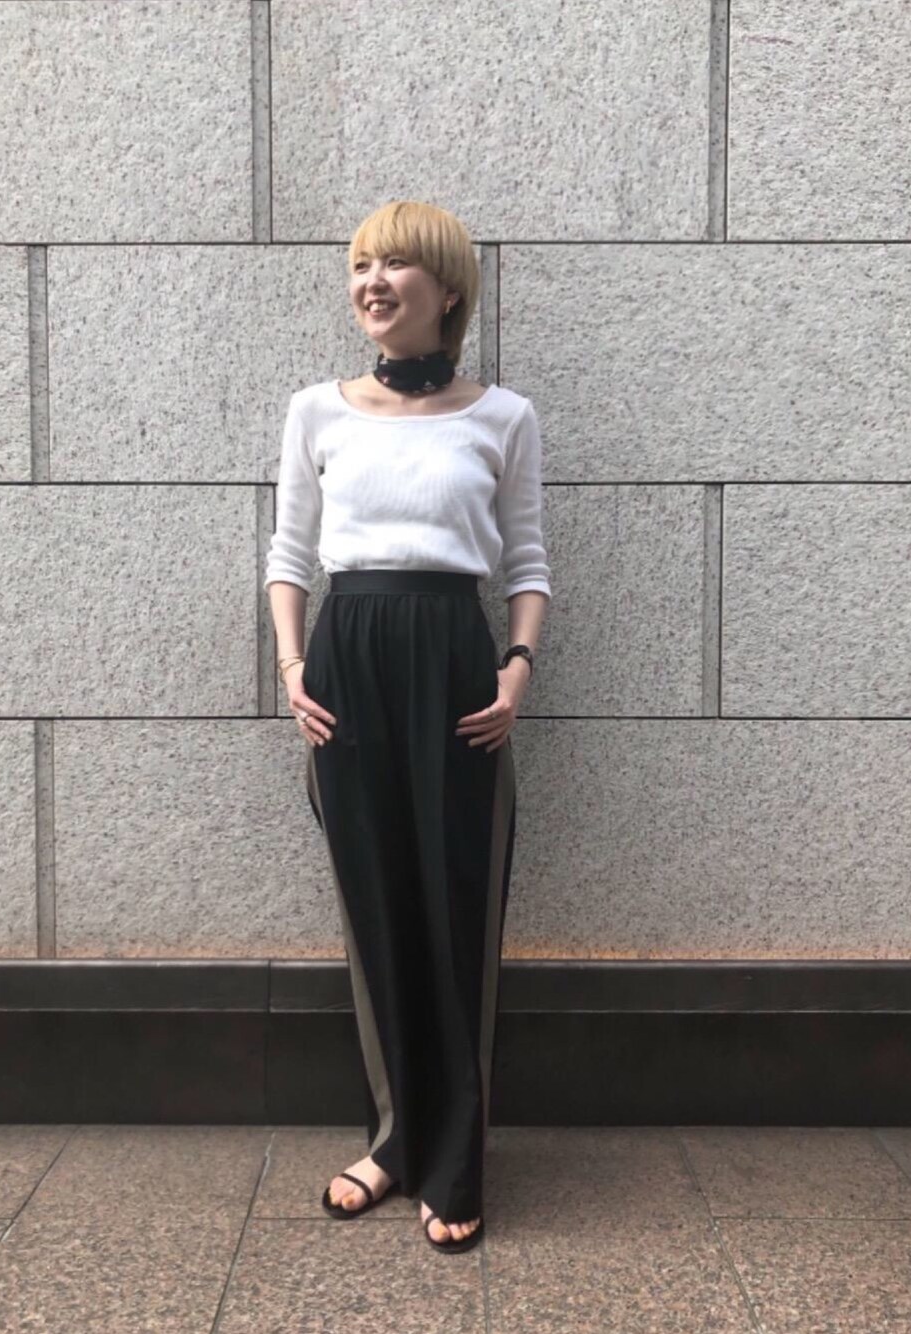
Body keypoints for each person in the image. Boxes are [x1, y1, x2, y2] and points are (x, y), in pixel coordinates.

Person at [263, 199, 551, 1254]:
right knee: (374, 902)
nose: (372, 281)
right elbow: (289, 555)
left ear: (448, 289)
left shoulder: (502, 417)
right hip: (346, 666)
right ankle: (392, 1141)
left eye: (394, 264)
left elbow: (527, 562)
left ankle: (456, 1155)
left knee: (458, 905)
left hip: (455, 666)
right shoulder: (316, 411)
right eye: (360, 265)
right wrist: (294, 667)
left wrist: (516, 669)